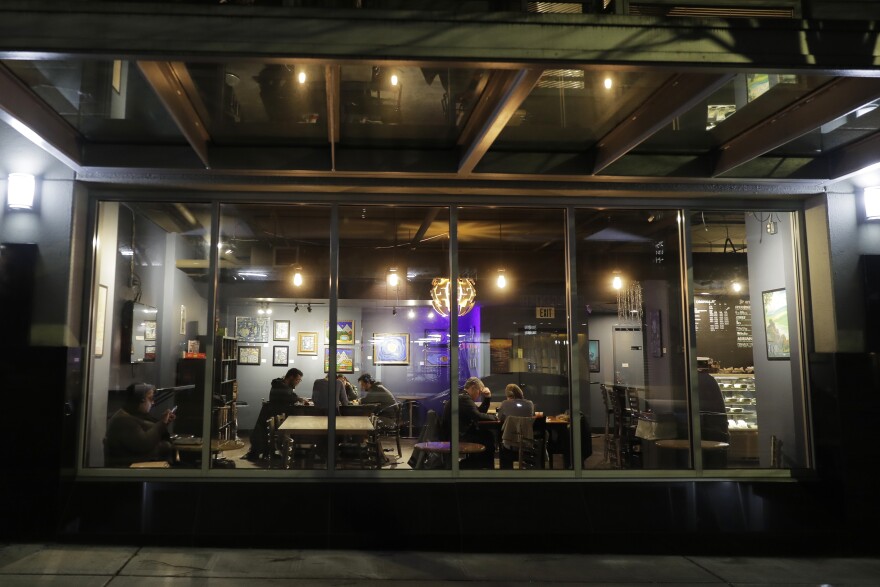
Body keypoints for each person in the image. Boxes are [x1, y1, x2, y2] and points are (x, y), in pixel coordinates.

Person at [105, 383, 175, 466]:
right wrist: (162, 423)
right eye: (150, 398)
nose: (152, 402)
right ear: (141, 400)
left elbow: (148, 429)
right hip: (128, 471)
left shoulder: (130, 415)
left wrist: (164, 423)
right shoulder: (122, 419)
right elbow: (144, 443)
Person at [243, 368, 303, 461]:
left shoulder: (282, 384)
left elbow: (291, 396)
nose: (298, 382)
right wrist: (299, 399)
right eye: (297, 380)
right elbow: (290, 396)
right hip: (274, 417)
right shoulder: (280, 385)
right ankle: (292, 450)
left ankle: (291, 450)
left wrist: (298, 398)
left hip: (273, 415)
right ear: (291, 377)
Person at [441, 376, 497, 469]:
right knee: (488, 439)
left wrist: (487, 398)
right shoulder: (464, 399)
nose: (479, 395)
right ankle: (483, 468)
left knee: (487, 435)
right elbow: (478, 416)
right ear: (473, 387)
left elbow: (478, 413)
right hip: (459, 436)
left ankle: (479, 465)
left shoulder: (462, 396)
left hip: (455, 433)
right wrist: (495, 418)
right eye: (479, 392)